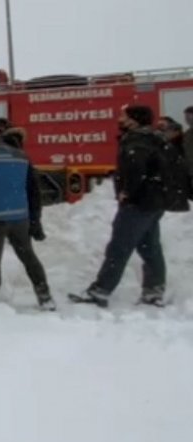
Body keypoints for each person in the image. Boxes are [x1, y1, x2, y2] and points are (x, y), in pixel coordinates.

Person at [74, 106, 169, 307]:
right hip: (153, 202)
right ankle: (153, 291)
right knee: (150, 247)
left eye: (123, 116)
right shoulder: (154, 138)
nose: (119, 119)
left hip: (138, 204)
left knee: (119, 247)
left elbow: (136, 169)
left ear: (134, 120)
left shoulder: (137, 141)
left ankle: (101, 291)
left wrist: (128, 191)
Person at [0, 123, 54, 309]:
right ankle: (45, 296)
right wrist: (35, 220)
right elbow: (33, 189)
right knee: (28, 256)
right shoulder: (21, 155)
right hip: (18, 216)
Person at [158, 119, 190, 212]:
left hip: (178, 179)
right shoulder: (169, 145)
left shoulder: (178, 145)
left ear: (176, 132)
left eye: (168, 131)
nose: (166, 133)